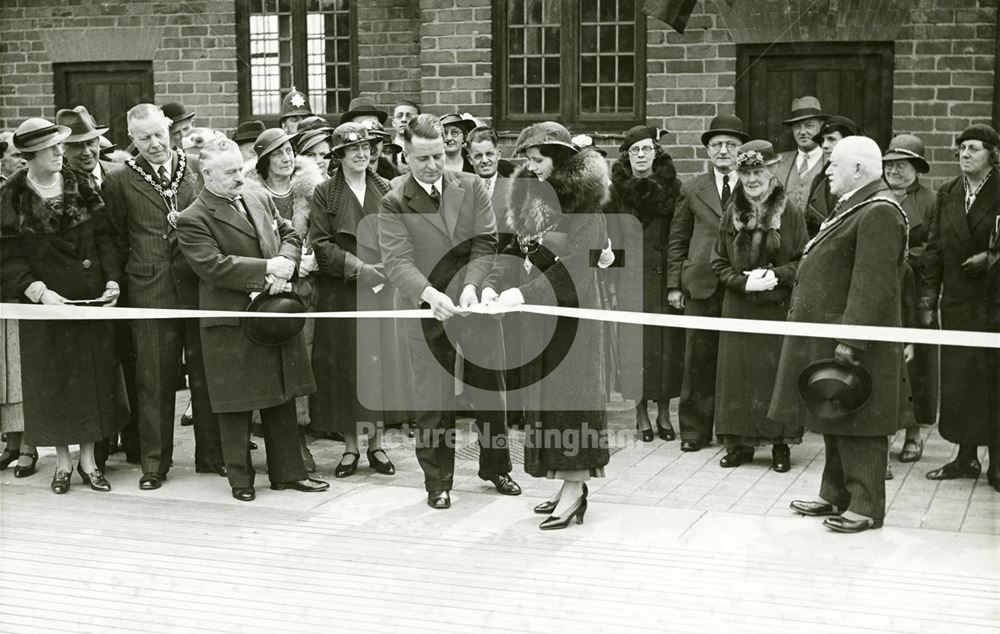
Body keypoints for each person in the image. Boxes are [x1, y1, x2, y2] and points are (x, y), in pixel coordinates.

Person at [378, 113, 520, 510]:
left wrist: (473, 286)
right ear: (404, 156)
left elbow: (485, 241)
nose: (433, 165)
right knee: (433, 401)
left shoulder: (471, 186)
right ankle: (437, 482)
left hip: (475, 308)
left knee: (491, 392)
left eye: (438, 155)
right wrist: (429, 294)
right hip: (427, 310)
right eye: (422, 158)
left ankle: (496, 467)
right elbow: (396, 261)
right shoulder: (392, 200)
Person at [176, 137, 329, 502]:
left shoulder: (256, 197)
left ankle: (288, 473)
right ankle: (240, 479)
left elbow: (290, 232)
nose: (238, 178)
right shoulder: (192, 218)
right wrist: (266, 270)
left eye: (238, 169)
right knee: (236, 406)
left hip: (271, 313)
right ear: (207, 174)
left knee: (281, 395)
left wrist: (285, 266)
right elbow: (212, 266)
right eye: (229, 173)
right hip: (232, 323)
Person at [777, 136, 911, 533]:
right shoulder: (857, 205)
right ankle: (835, 494)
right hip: (835, 330)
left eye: (834, 164)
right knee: (834, 410)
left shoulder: (879, 211)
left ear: (858, 169)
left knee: (860, 419)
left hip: (856, 339)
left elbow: (873, 283)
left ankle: (866, 506)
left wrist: (852, 339)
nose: (827, 170)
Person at [485, 121, 610, 530]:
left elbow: (574, 266)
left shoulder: (586, 206)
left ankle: (575, 492)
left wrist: (524, 294)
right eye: (530, 161)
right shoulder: (528, 197)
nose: (533, 167)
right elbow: (510, 250)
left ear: (558, 158)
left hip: (572, 321)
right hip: (541, 320)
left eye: (538, 160)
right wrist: (493, 286)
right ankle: (565, 485)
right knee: (548, 404)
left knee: (571, 403)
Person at [0, 117, 125, 493]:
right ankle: (63, 462)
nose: (60, 152)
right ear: (31, 155)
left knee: (91, 380)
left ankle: (88, 461)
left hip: (89, 299)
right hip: (45, 305)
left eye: (60, 145)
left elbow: (106, 237)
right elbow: (7, 256)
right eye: (52, 147)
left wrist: (112, 280)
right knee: (53, 383)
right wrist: (37, 291)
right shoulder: (11, 196)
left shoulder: (82, 184)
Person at [104, 103, 225, 489]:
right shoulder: (121, 179)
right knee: (153, 379)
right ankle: (155, 464)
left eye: (159, 134)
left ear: (169, 129)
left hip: (198, 286)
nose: (154, 144)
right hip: (150, 289)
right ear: (132, 139)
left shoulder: (195, 168)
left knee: (206, 375)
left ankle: (213, 455)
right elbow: (117, 238)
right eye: (144, 139)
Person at [711, 140, 808, 471]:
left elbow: (803, 261)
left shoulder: (790, 212)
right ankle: (739, 445)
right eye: (746, 172)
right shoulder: (732, 212)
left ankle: (780, 444)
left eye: (758, 172)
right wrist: (743, 282)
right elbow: (719, 261)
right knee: (737, 377)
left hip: (776, 307)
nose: (752, 179)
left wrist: (775, 276)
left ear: (771, 171)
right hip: (738, 305)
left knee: (774, 376)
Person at [309, 123, 400, 477]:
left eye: (366, 147)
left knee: (377, 366)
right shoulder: (325, 193)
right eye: (353, 149)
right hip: (342, 292)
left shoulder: (386, 188)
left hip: (381, 291)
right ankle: (349, 448)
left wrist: (384, 271)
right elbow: (321, 243)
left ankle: (377, 446)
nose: (362, 154)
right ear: (340, 156)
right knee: (345, 367)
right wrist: (361, 269)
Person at [921, 124, 1000, 485]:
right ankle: (965, 458)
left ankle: (997, 464)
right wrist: (927, 299)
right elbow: (934, 249)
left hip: (994, 303)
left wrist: (991, 257)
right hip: (956, 304)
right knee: (961, 382)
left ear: (992, 155)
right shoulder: (948, 193)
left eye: (974, 148)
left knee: (993, 381)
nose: (965, 154)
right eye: (961, 148)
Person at [242, 128, 324, 469]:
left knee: (299, 362)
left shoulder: (311, 191)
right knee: (267, 365)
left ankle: (299, 439)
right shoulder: (250, 195)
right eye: (278, 153)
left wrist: (312, 258)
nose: (287, 157)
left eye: (290, 150)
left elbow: (321, 230)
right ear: (264, 160)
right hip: (268, 289)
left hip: (304, 288)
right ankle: (274, 439)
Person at [666, 114, 749, 452]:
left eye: (731, 145)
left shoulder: (752, 185)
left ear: (741, 150)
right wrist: (674, 284)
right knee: (697, 358)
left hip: (738, 285)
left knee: (735, 360)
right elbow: (677, 238)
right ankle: (694, 432)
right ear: (708, 152)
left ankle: (733, 431)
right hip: (699, 284)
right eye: (717, 145)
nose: (724, 151)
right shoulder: (692, 188)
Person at [605, 125, 683, 442]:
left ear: (656, 152)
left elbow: (680, 234)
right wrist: (611, 273)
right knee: (634, 348)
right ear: (627, 155)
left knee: (665, 346)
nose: (640, 155)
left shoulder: (673, 188)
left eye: (646, 149)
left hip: (663, 277)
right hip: (629, 280)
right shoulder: (614, 192)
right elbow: (605, 238)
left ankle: (664, 412)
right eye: (634, 150)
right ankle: (640, 414)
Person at [883, 134, 938, 464]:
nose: (895, 171)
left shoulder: (931, 202)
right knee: (884, 362)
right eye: (890, 165)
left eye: (902, 166)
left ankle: (914, 435)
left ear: (917, 169)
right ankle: (884, 432)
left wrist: (903, 257)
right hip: (884, 291)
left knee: (916, 366)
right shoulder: (877, 196)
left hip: (915, 293)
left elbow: (934, 249)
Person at [804, 116, 858, 236]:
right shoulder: (820, 180)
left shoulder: (861, 178)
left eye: (831, 139)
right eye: (822, 141)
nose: (824, 145)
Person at [775, 96, 827, 210]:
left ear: (821, 126)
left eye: (809, 126)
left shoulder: (831, 162)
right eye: (797, 127)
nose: (802, 132)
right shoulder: (779, 162)